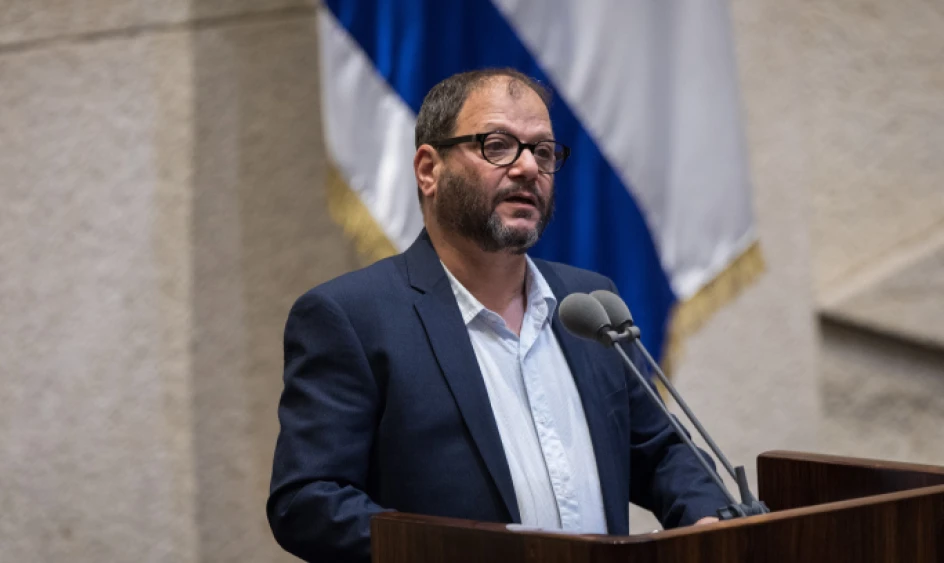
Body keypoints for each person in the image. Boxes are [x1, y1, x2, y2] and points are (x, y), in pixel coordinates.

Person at [267, 68, 728, 563]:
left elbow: (660, 450)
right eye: (498, 145)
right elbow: (308, 501)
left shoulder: (589, 303)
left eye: (543, 151)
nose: (528, 168)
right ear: (428, 169)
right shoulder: (353, 317)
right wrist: (456, 551)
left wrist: (710, 517)